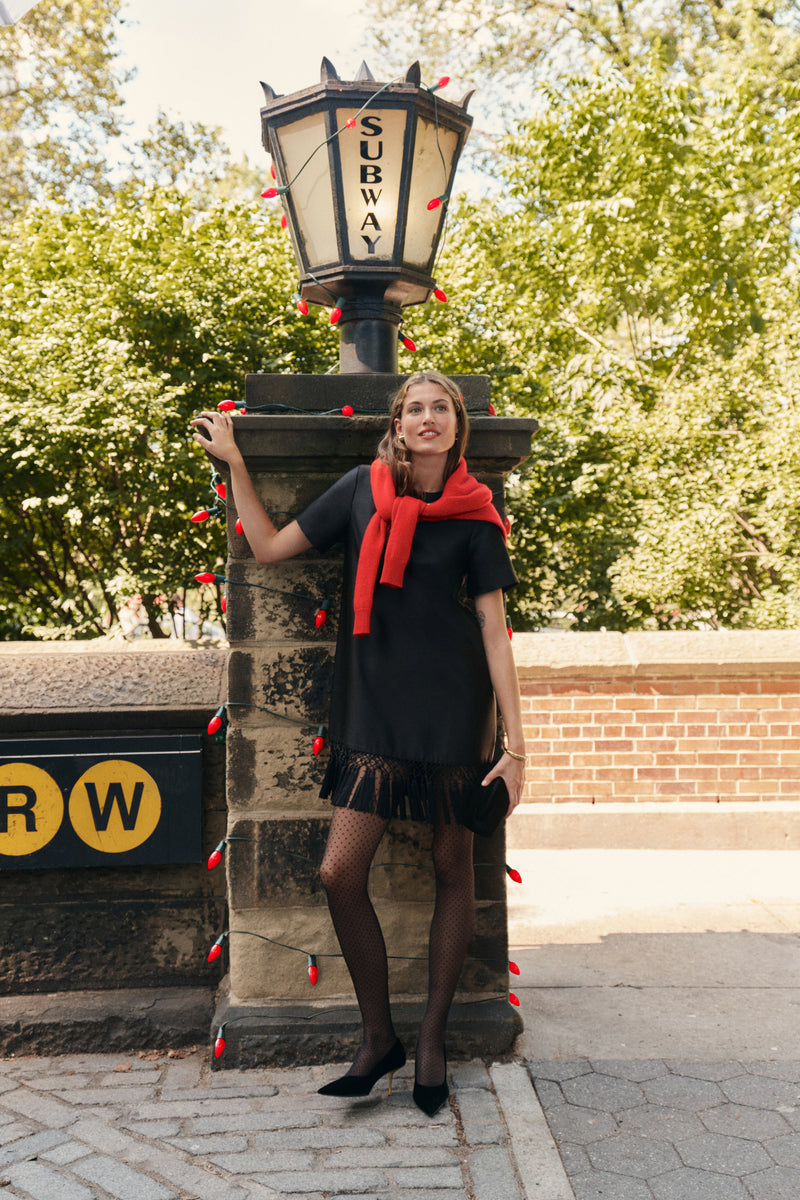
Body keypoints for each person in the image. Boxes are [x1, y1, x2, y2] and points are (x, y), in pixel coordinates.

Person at [191, 370, 526, 1116]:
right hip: (372, 709)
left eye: (441, 408)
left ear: (457, 425)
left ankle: (432, 1040)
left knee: (450, 864)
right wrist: (238, 465)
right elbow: (270, 546)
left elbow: (494, 633)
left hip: (454, 710)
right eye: (414, 408)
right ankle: (379, 1038)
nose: (427, 418)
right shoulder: (361, 491)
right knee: (340, 871)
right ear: (397, 423)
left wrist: (517, 745)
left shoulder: (476, 512)